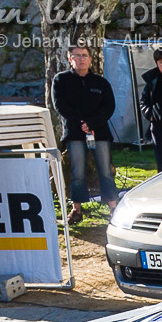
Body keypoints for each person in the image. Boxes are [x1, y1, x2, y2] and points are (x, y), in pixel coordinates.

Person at [51, 44, 118, 223]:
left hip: (100, 132)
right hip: (74, 133)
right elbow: (60, 105)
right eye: (77, 56)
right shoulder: (60, 80)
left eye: (84, 55)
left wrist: (92, 123)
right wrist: (81, 123)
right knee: (77, 173)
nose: (81, 59)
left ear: (90, 58)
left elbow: (109, 106)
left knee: (105, 171)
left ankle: (114, 209)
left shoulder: (101, 82)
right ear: (69, 58)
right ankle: (77, 210)